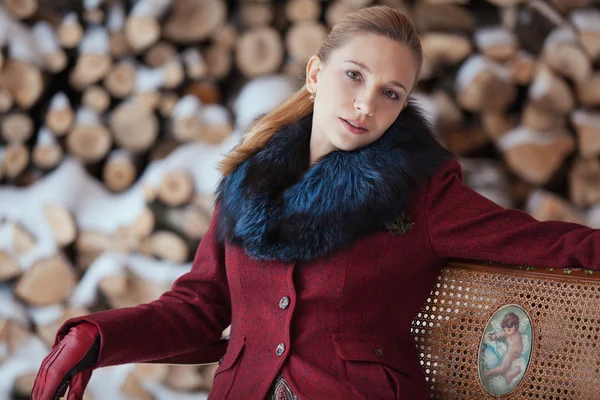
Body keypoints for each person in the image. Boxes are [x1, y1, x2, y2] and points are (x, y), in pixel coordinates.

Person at [32, 5, 600, 400]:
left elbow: (546, 242)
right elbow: (201, 308)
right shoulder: (246, 183)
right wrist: (98, 336)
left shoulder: (421, 190)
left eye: (390, 93)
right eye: (354, 75)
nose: (365, 103)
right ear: (315, 73)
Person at [485, 312, 524, 384]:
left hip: (517, 358)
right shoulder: (506, 333)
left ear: (515, 326)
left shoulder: (518, 333)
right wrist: (491, 337)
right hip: (509, 355)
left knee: (518, 369)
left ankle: (509, 376)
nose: (507, 332)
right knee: (502, 369)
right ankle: (488, 373)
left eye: (509, 330)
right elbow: (497, 336)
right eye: (505, 330)